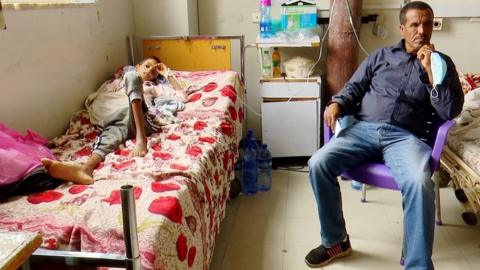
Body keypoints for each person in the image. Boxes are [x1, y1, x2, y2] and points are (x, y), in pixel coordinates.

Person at [305, 2, 464, 270]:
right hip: (364, 131)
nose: (421, 30)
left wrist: (430, 74)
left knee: (419, 182)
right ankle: (336, 241)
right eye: (414, 24)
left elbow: (450, 110)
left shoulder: (442, 64)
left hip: (407, 139)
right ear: (402, 28)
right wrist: (337, 104)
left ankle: (417, 263)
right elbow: (353, 88)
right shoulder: (380, 56)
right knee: (318, 163)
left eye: (427, 24)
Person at [41, 56, 181, 185]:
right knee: (115, 129)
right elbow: (100, 98)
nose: (150, 70)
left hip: (139, 118)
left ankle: (140, 137)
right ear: (137, 66)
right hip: (118, 116)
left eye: (155, 70)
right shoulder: (117, 82)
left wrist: (167, 73)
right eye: (147, 66)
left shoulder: (155, 87)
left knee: (132, 78)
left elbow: (181, 94)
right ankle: (86, 168)